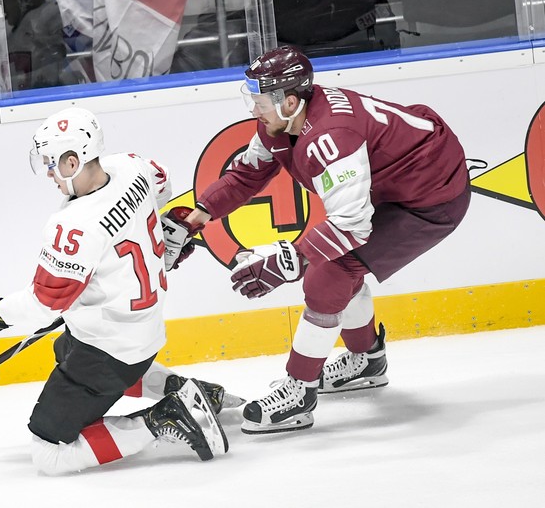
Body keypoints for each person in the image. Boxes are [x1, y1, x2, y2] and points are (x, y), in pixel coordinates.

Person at [165, 45, 470, 434]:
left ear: (290, 100)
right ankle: (367, 360)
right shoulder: (279, 122)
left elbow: (351, 226)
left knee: (330, 273)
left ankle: (299, 390)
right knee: (337, 266)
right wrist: (194, 219)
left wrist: (292, 258)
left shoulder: (331, 137)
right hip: (398, 183)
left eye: (259, 100)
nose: (253, 109)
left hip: (431, 196)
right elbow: (246, 176)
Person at [0, 107, 232, 475]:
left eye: (52, 164)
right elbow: (161, 182)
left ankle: (164, 417)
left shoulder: (74, 226)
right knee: (63, 348)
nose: (49, 173)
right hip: (141, 332)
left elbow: (43, 305)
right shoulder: (133, 167)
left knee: (49, 454)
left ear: (73, 161)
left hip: (111, 351)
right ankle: (182, 389)